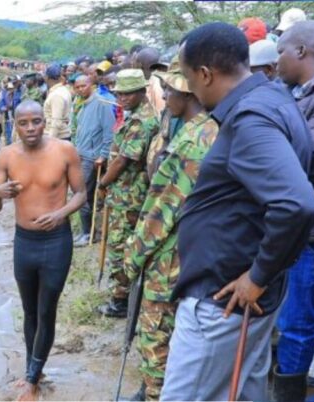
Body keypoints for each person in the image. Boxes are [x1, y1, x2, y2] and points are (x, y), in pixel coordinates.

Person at [161, 22, 314, 401]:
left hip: (223, 302)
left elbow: (299, 203)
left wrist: (260, 273)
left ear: (205, 74)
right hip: (242, 298)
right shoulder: (276, 99)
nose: (191, 89)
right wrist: (273, 263)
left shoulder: (251, 118)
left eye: (189, 78)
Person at [122, 62, 219, 402]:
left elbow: (161, 211)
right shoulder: (208, 128)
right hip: (193, 255)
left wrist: (133, 257)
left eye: (169, 90)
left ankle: (155, 394)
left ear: (186, 93)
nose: (164, 96)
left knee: (155, 339)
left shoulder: (194, 140)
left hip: (169, 259)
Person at [0, 100, 87, 401]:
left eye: (36, 121)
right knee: (29, 310)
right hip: (24, 242)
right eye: (23, 123)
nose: (31, 128)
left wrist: (60, 214)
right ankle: (36, 369)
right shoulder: (6, 156)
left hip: (56, 242)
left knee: (46, 309)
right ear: (15, 126)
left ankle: (31, 380)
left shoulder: (64, 150)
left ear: (44, 121)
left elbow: (81, 194)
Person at [274, 20, 314, 402]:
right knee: (296, 320)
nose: (277, 60)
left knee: (297, 323)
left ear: (300, 51)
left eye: (281, 51)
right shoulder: (307, 93)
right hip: (312, 226)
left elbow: (300, 152)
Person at [96, 69, 159, 318]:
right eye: (119, 94)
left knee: (120, 246)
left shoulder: (142, 122)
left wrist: (102, 184)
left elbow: (123, 160)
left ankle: (120, 300)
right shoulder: (135, 116)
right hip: (125, 193)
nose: (122, 98)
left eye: (128, 94)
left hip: (129, 196)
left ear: (142, 91)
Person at [71, 75, 116, 247]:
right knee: (84, 194)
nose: (80, 89)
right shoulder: (81, 103)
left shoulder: (102, 104)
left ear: (92, 85)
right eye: (77, 87)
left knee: (82, 193)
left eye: (83, 86)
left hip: (92, 158)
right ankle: (87, 230)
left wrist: (103, 155)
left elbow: (109, 132)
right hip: (81, 154)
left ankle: (88, 233)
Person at [133, 47, 166, 118]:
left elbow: (160, 114)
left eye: (135, 62)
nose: (133, 64)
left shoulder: (156, 84)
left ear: (140, 64)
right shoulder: (149, 80)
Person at [43, 63, 73, 141]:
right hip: (61, 136)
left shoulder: (56, 95)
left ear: (47, 77)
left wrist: (50, 141)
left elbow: (56, 121)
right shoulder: (63, 90)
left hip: (58, 137)